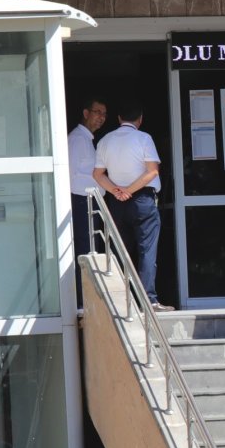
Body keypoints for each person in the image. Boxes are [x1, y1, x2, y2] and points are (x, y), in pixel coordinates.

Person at [92, 100, 168, 310]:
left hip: (117, 202)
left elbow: (97, 174)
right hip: (142, 199)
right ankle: (149, 300)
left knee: (120, 251)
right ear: (140, 119)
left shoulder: (105, 140)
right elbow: (152, 171)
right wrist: (130, 191)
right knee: (147, 251)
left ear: (118, 118)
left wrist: (117, 191)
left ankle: (120, 301)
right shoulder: (144, 138)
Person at [67, 95, 108, 280]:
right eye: (97, 112)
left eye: (104, 114)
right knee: (85, 249)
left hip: (89, 203)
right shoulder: (77, 139)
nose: (101, 117)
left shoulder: (88, 140)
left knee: (91, 249)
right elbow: (69, 174)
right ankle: (82, 300)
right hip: (81, 202)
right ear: (85, 113)